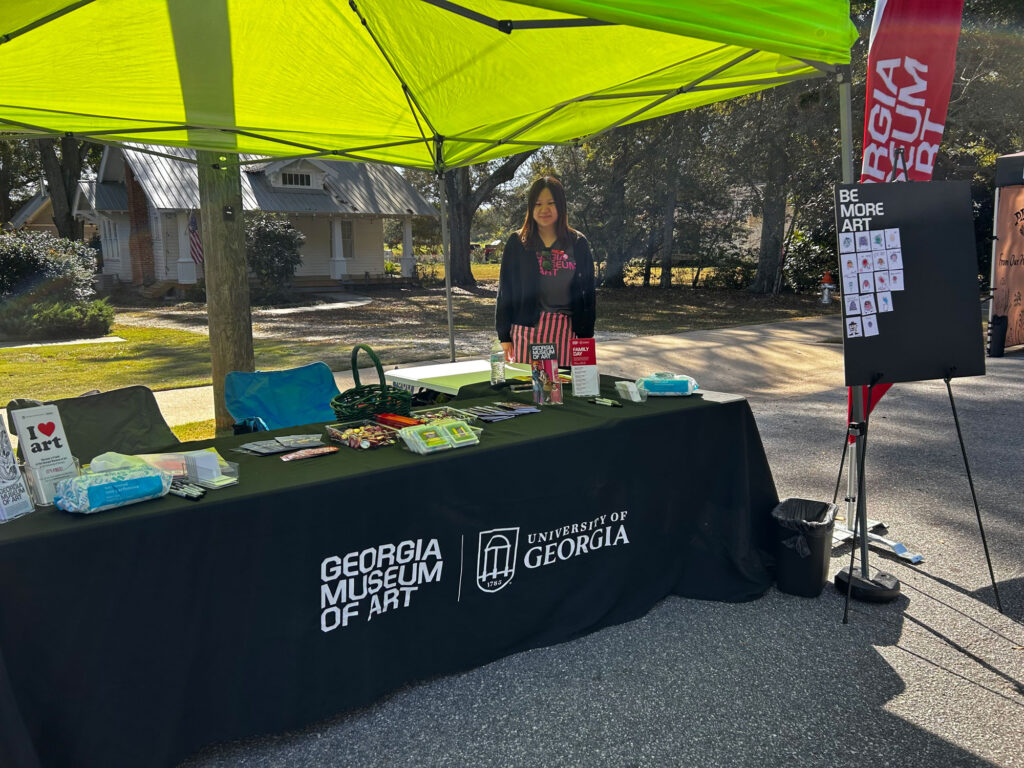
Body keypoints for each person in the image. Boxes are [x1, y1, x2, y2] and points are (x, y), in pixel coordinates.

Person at [495, 176, 596, 367]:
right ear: (531, 208)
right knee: (529, 392)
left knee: (566, 391)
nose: (544, 209)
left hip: (569, 331)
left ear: (561, 206)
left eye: (551, 203)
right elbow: (505, 291)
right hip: (527, 331)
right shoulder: (517, 243)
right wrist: (504, 335)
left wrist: (586, 336)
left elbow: (589, 294)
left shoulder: (578, 242)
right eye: (538, 204)